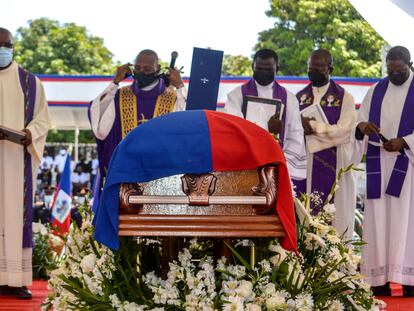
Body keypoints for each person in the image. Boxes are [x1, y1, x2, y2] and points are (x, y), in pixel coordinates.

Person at [353, 46, 414, 297]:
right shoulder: (376, 90)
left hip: (408, 165)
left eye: (400, 71)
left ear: (410, 64)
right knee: (378, 220)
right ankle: (378, 279)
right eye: (390, 70)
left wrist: (405, 141)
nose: (394, 75)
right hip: (379, 162)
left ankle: (410, 279)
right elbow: (360, 121)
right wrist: (363, 126)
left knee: (407, 221)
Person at [0, 27, 50, 299]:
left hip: (17, 159)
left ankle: (16, 279)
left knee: (16, 217)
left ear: (13, 47)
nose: (2, 50)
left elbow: (43, 119)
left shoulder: (31, 83)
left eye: (5, 45)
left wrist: (29, 133)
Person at [89, 49, 187, 182]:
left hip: (161, 176)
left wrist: (180, 86)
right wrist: (115, 82)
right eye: (138, 68)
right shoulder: (119, 96)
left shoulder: (173, 98)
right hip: (126, 177)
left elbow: (188, 124)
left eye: (147, 68)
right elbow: (100, 130)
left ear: (157, 68)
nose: (142, 72)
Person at [295, 49, 356, 240]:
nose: (314, 73)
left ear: (331, 69)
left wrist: (312, 127)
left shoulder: (345, 98)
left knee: (333, 220)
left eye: (319, 69)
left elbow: (344, 132)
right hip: (303, 168)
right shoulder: (298, 97)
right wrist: (300, 128)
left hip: (333, 165)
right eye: (310, 69)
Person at [224, 48, 306, 181]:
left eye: (268, 70)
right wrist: (269, 131)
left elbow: (296, 135)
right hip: (245, 166)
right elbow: (235, 129)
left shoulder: (289, 98)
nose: (263, 73)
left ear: (277, 68)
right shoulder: (236, 95)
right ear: (252, 67)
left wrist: (279, 162)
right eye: (259, 69)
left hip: (276, 168)